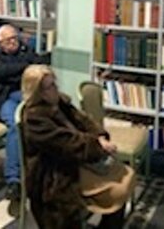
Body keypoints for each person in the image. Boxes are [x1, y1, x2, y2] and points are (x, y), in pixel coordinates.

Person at [21, 65, 125, 228]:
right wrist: (97, 145)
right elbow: (67, 143)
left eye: (54, 83)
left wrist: (99, 135)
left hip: (75, 159)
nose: (55, 89)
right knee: (117, 190)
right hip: (54, 173)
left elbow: (83, 120)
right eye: (50, 86)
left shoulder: (60, 102)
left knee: (123, 177)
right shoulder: (34, 118)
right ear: (38, 92)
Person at [0, 25, 39, 205]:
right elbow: (1, 72)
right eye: (8, 40)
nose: (13, 42)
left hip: (27, 97)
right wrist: (25, 68)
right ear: (0, 43)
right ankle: (13, 180)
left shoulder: (25, 50)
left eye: (15, 38)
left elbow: (37, 62)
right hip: (6, 99)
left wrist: (16, 70)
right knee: (15, 126)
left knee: (44, 120)